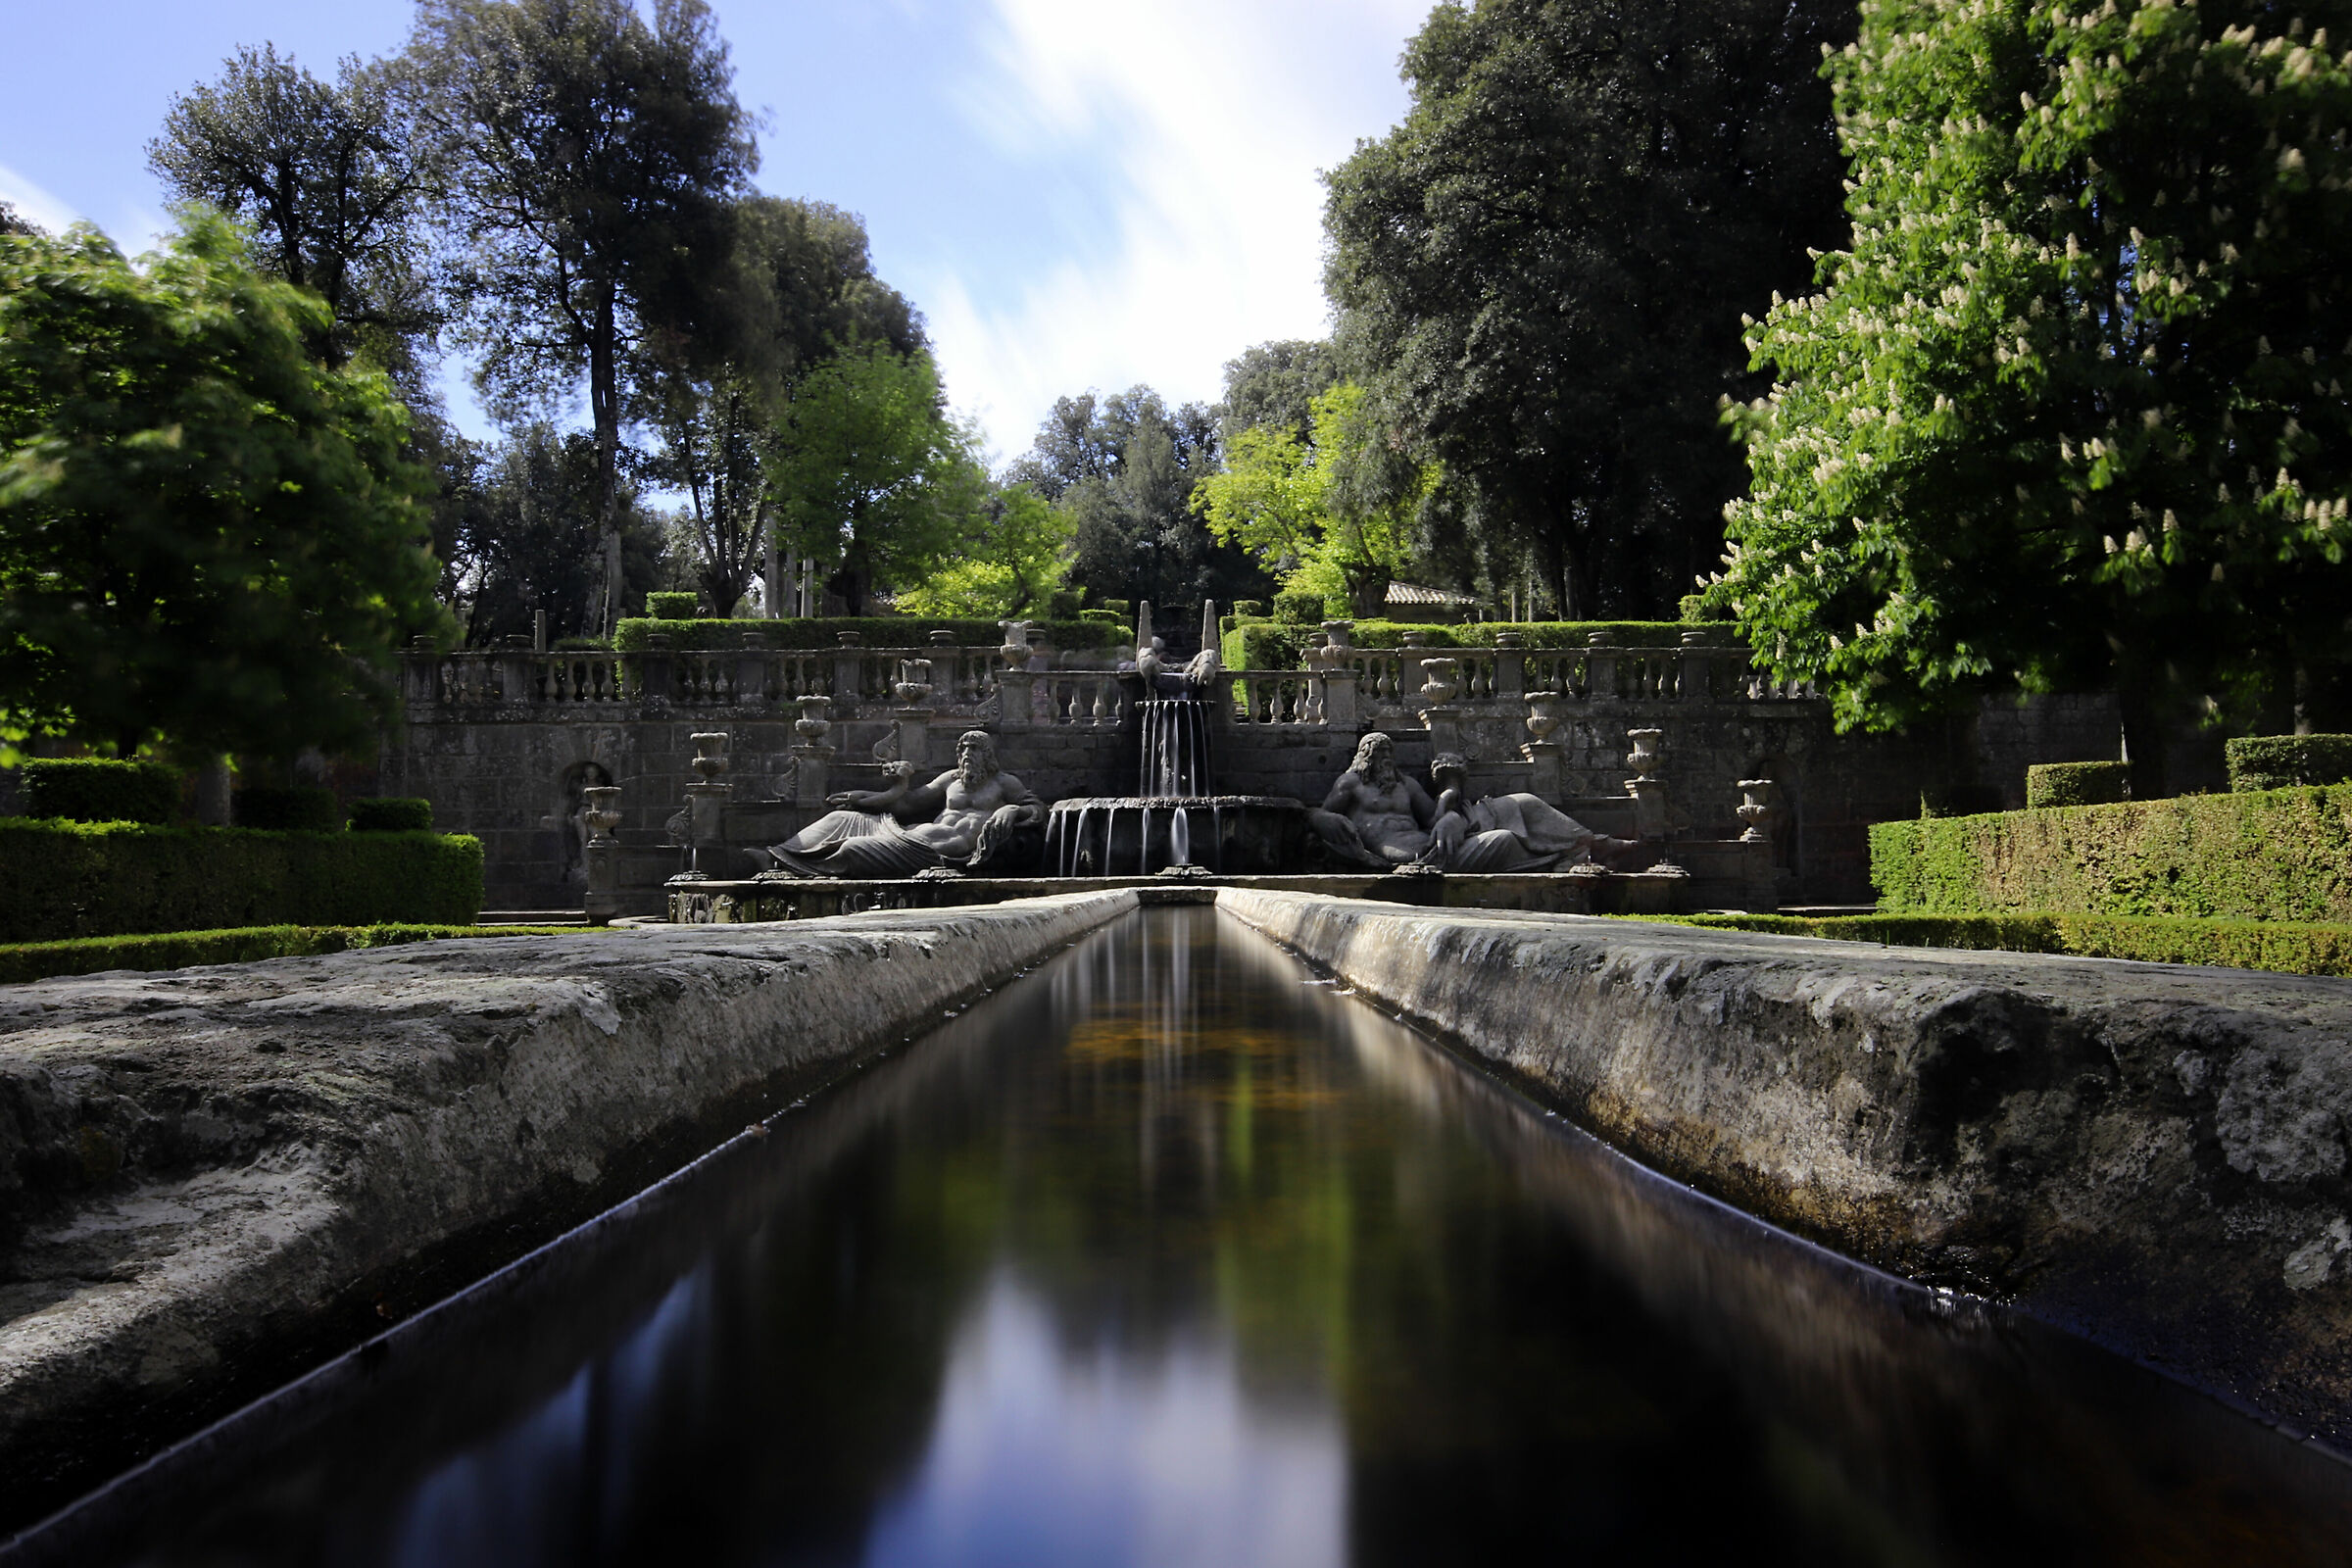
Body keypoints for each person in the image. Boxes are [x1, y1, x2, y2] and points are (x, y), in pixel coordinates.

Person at [764, 730, 1042, 878]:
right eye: (963, 749)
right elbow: (907, 803)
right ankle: (776, 857)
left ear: (988, 754)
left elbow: (1039, 810)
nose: (967, 754)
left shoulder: (1004, 783)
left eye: (974, 748)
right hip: (905, 833)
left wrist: (1013, 809)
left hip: (932, 853)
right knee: (841, 818)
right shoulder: (950, 780)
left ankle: (793, 867)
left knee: (851, 848)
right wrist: (863, 795)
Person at [1423, 752, 1635, 872]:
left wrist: (1449, 798)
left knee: (1525, 802)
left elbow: (1431, 814)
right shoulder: (1394, 798)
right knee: (1507, 840)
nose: (1387, 761)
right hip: (1441, 844)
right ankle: (1585, 850)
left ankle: (1590, 842)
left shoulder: (1403, 786)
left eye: (1388, 753)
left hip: (1461, 820)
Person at [1308, 732, 1439, 866]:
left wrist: (1451, 817)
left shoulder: (1407, 785)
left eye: (1389, 751)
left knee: (1451, 848)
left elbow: (1432, 818)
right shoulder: (1351, 783)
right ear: (1365, 755)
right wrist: (1318, 817)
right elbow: (1324, 812)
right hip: (1388, 844)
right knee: (1419, 856)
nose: (1387, 755)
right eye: (1380, 751)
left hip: (1420, 840)